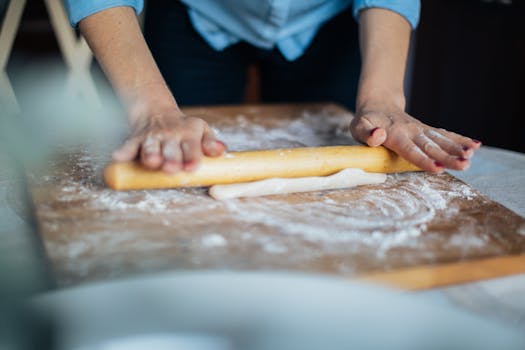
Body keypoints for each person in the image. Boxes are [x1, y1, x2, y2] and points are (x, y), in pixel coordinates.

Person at [64, 0, 480, 174]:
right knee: (174, 166)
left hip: (327, 19)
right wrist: (153, 111)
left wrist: (383, 100)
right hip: (197, 14)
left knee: (343, 176)